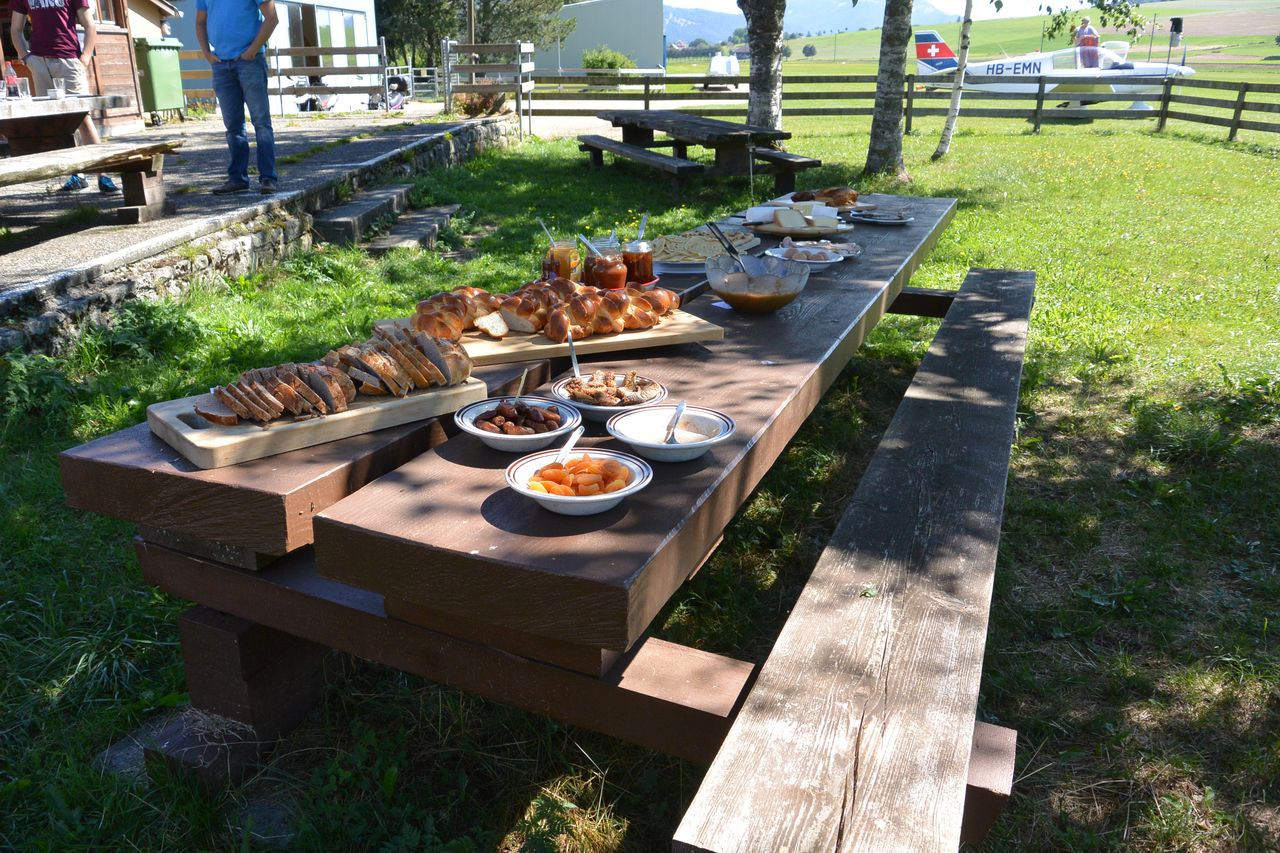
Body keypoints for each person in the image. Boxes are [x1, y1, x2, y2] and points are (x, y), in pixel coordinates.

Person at [9, 0, 120, 193]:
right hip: (39, 62)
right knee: (56, 121)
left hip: (69, 60)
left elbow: (89, 25)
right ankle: (76, 175)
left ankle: (103, 176)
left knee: (82, 117)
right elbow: (16, 29)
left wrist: (84, 58)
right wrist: (25, 57)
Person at [195, 0, 279, 194]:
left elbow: (272, 18)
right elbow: (200, 22)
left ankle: (268, 178)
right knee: (233, 126)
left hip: (250, 62)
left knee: (261, 122)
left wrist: (252, 50)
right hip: (221, 65)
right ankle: (237, 179)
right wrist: (207, 54)